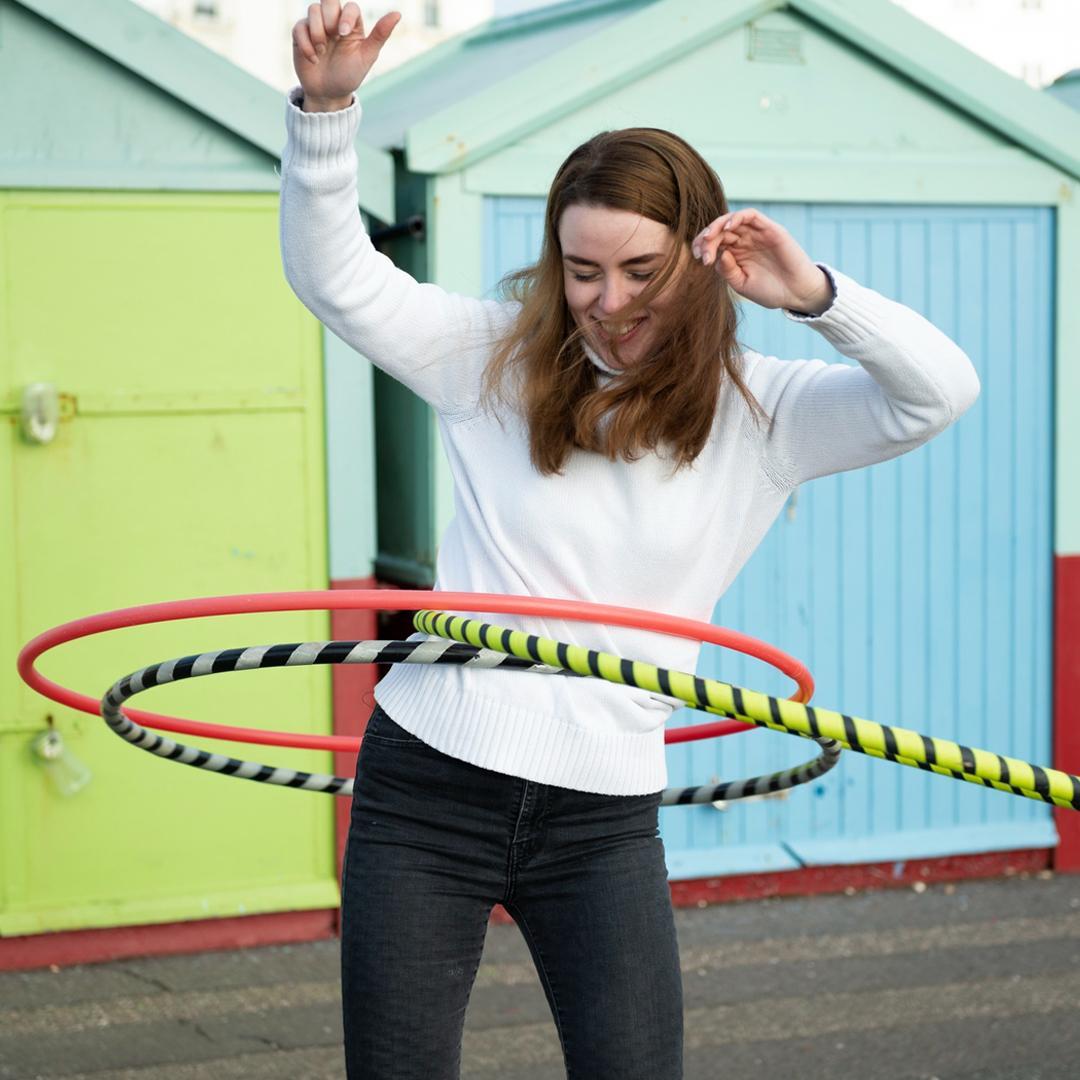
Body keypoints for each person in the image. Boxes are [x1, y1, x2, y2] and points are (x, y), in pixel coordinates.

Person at [282, 5, 980, 1077]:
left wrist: (818, 298)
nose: (608, 304)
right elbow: (338, 279)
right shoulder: (489, 362)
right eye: (582, 270)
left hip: (602, 814)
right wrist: (327, 112)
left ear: (702, 257)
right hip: (428, 787)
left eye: (641, 271)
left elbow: (940, 394)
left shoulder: (768, 413)